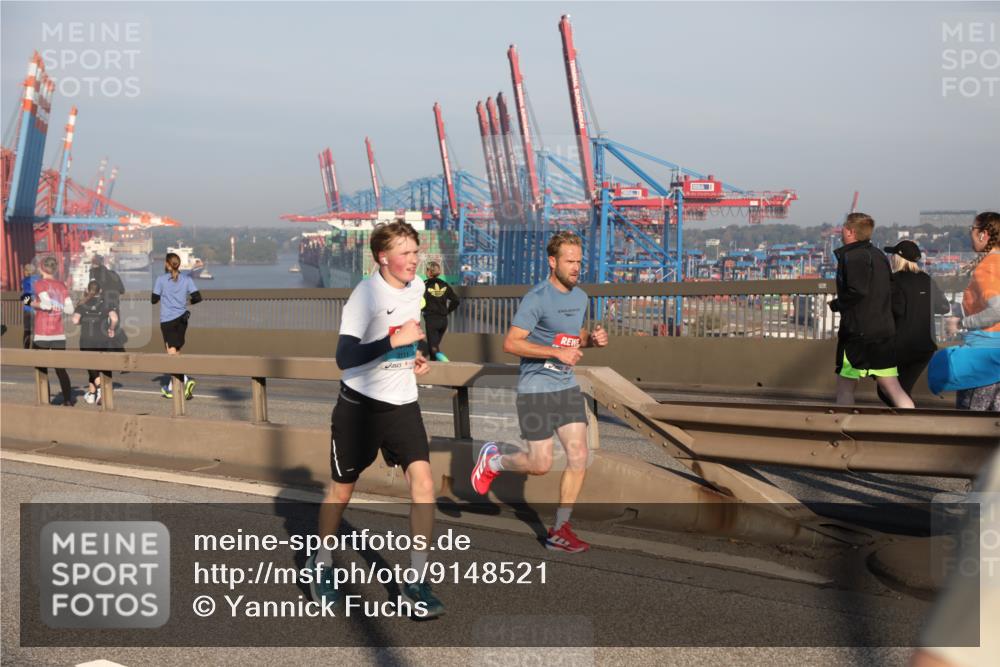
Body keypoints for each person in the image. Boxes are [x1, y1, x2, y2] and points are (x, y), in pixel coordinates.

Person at [308, 221, 444, 618]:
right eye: (404, 253)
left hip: (402, 404)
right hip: (360, 407)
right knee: (342, 493)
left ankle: (415, 583)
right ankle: (322, 562)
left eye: (416, 252)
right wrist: (393, 342)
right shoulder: (364, 296)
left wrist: (414, 356)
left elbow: (406, 337)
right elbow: (345, 357)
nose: (413, 260)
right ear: (382, 257)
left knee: (423, 484)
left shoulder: (417, 288)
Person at [471, 230, 609, 553]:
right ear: (552, 262)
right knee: (540, 464)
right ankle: (493, 462)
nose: (576, 267)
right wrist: (554, 353)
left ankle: (560, 529)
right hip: (535, 389)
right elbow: (511, 343)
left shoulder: (580, 297)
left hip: (565, 387)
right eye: (570, 261)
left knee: (579, 456)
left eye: (579, 261)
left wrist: (592, 340)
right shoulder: (537, 297)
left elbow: (571, 335)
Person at [829, 213, 914, 408]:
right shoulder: (879, 255)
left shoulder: (850, 256)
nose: (841, 231)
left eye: (843, 227)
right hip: (883, 332)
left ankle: (842, 428)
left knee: (845, 387)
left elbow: (857, 291)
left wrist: (837, 304)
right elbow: (894, 293)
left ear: (850, 231)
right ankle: (913, 424)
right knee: (891, 386)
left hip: (857, 334)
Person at [931, 212, 1000, 411]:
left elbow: (997, 309)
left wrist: (961, 323)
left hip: (983, 361)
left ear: (983, 234)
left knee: (972, 424)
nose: (970, 234)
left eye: (972, 229)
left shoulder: (987, 267)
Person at [877, 240, 950, 406]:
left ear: (899, 258)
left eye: (893, 255)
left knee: (889, 390)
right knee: (902, 388)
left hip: (900, 344)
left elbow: (896, 309)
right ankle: (903, 424)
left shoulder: (894, 281)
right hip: (925, 346)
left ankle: (910, 422)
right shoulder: (927, 279)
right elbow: (944, 307)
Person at [152, 252, 202, 399]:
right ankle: (174, 386)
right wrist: (186, 303)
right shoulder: (187, 279)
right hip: (182, 320)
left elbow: (153, 300)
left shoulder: (161, 279)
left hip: (168, 320)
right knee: (177, 351)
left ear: (167, 264)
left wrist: (165, 294)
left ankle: (185, 380)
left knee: (171, 353)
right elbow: (198, 297)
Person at [30, 256, 75, 406]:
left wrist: (31, 302)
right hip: (59, 333)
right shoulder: (62, 285)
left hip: (42, 332)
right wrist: (59, 306)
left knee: (41, 369)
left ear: (42, 268)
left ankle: (45, 401)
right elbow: (70, 309)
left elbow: (46, 305)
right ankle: (68, 400)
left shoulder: (39, 283)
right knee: (60, 369)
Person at [73, 280, 118, 405]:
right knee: (98, 364)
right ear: (101, 291)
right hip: (102, 338)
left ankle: (100, 389)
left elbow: (75, 321)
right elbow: (114, 318)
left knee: (90, 365)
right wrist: (111, 329)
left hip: (87, 339)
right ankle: (92, 394)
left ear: (87, 290)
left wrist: (83, 321)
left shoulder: (83, 303)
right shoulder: (105, 303)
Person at [421, 260, 460, 362]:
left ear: (429, 272)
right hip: (443, 321)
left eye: (427, 270)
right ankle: (435, 368)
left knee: (433, 348)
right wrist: (447, 311)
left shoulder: (424, 285)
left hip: (431, 319)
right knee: (434, 347)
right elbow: (456, 300)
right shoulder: (445, 285)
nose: (426, 272)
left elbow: (418, 300)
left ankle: (446, 363)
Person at [90, 254, 126, 351]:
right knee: (114, 332)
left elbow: (92, 291)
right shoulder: (114, 273)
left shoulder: (93, 273)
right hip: (115, 306)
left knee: (101, 336)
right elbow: (122, 290)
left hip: (101, 308)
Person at [20, 260, 39, 349]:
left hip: (28, 309)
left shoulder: (25, 280)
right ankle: (35, 350)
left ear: (27, 271)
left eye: (25, 270)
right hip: (38, 309)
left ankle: (25, 350)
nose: (24, 272)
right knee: (36, 331)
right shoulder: (39, 279)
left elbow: (26, 293)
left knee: (27, 331)